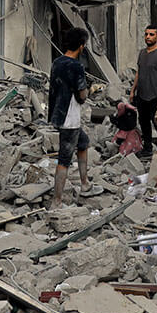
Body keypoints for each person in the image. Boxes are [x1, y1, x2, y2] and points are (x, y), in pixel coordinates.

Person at [48, 28, 103, 206]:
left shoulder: (57, 62)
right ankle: (56, 201)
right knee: (64, 159)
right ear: (81, 46)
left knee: (83, 143)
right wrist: (89, 91)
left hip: (58, 114)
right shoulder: (76, 66)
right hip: (70, 118)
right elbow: (82, 94)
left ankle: (85, 184)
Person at [129, 25, 157, 158]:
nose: (148, 37)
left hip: (156, 96)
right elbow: (138, 73)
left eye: (151, 34)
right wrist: (132, 91)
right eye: (146, 34)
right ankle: (147, 148)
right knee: (144, 123)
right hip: (142, 96)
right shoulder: (142, 53)